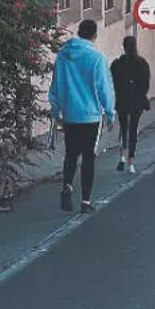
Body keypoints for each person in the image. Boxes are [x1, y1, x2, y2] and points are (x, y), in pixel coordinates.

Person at [48, 19, 115, 214]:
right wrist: (110, 112)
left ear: (78, 32)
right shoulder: (97, 58)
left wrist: (56, 110)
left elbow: (56, 84)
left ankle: (67, 186)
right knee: (88, 157)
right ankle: (85, 201)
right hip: (90, 117)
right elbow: (104, 88)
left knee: (70, 154)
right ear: (94, 35)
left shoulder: (63, 56)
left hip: (69, 114)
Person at [110, 36, 151, 175]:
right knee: (133, 130)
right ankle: (131, 162)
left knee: (123, 128)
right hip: (137, 102)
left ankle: (122, 155)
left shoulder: (117, 64)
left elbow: (113, 83)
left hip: (122, 101)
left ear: (124, 47)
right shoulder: (142, 64)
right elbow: (146, 85)